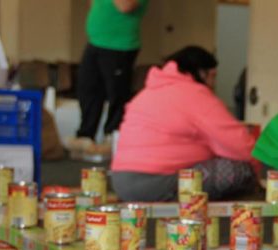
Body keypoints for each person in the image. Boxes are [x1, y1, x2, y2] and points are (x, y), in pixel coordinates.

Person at [110, 46, 257, 201]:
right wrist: (258, 169)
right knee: (241, 170)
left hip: (121, 182)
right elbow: (238, 142)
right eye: (212, 76)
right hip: (155, 183)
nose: (213, 83)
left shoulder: (148, 92)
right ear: (201, 72)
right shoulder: (195, 94)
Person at [68, 0, 148, 158]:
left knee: (117, 94)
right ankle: (86, 135)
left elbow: (126, 6)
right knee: (87, 90)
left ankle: (113, 137)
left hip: (119, 45)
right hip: (96, 41)